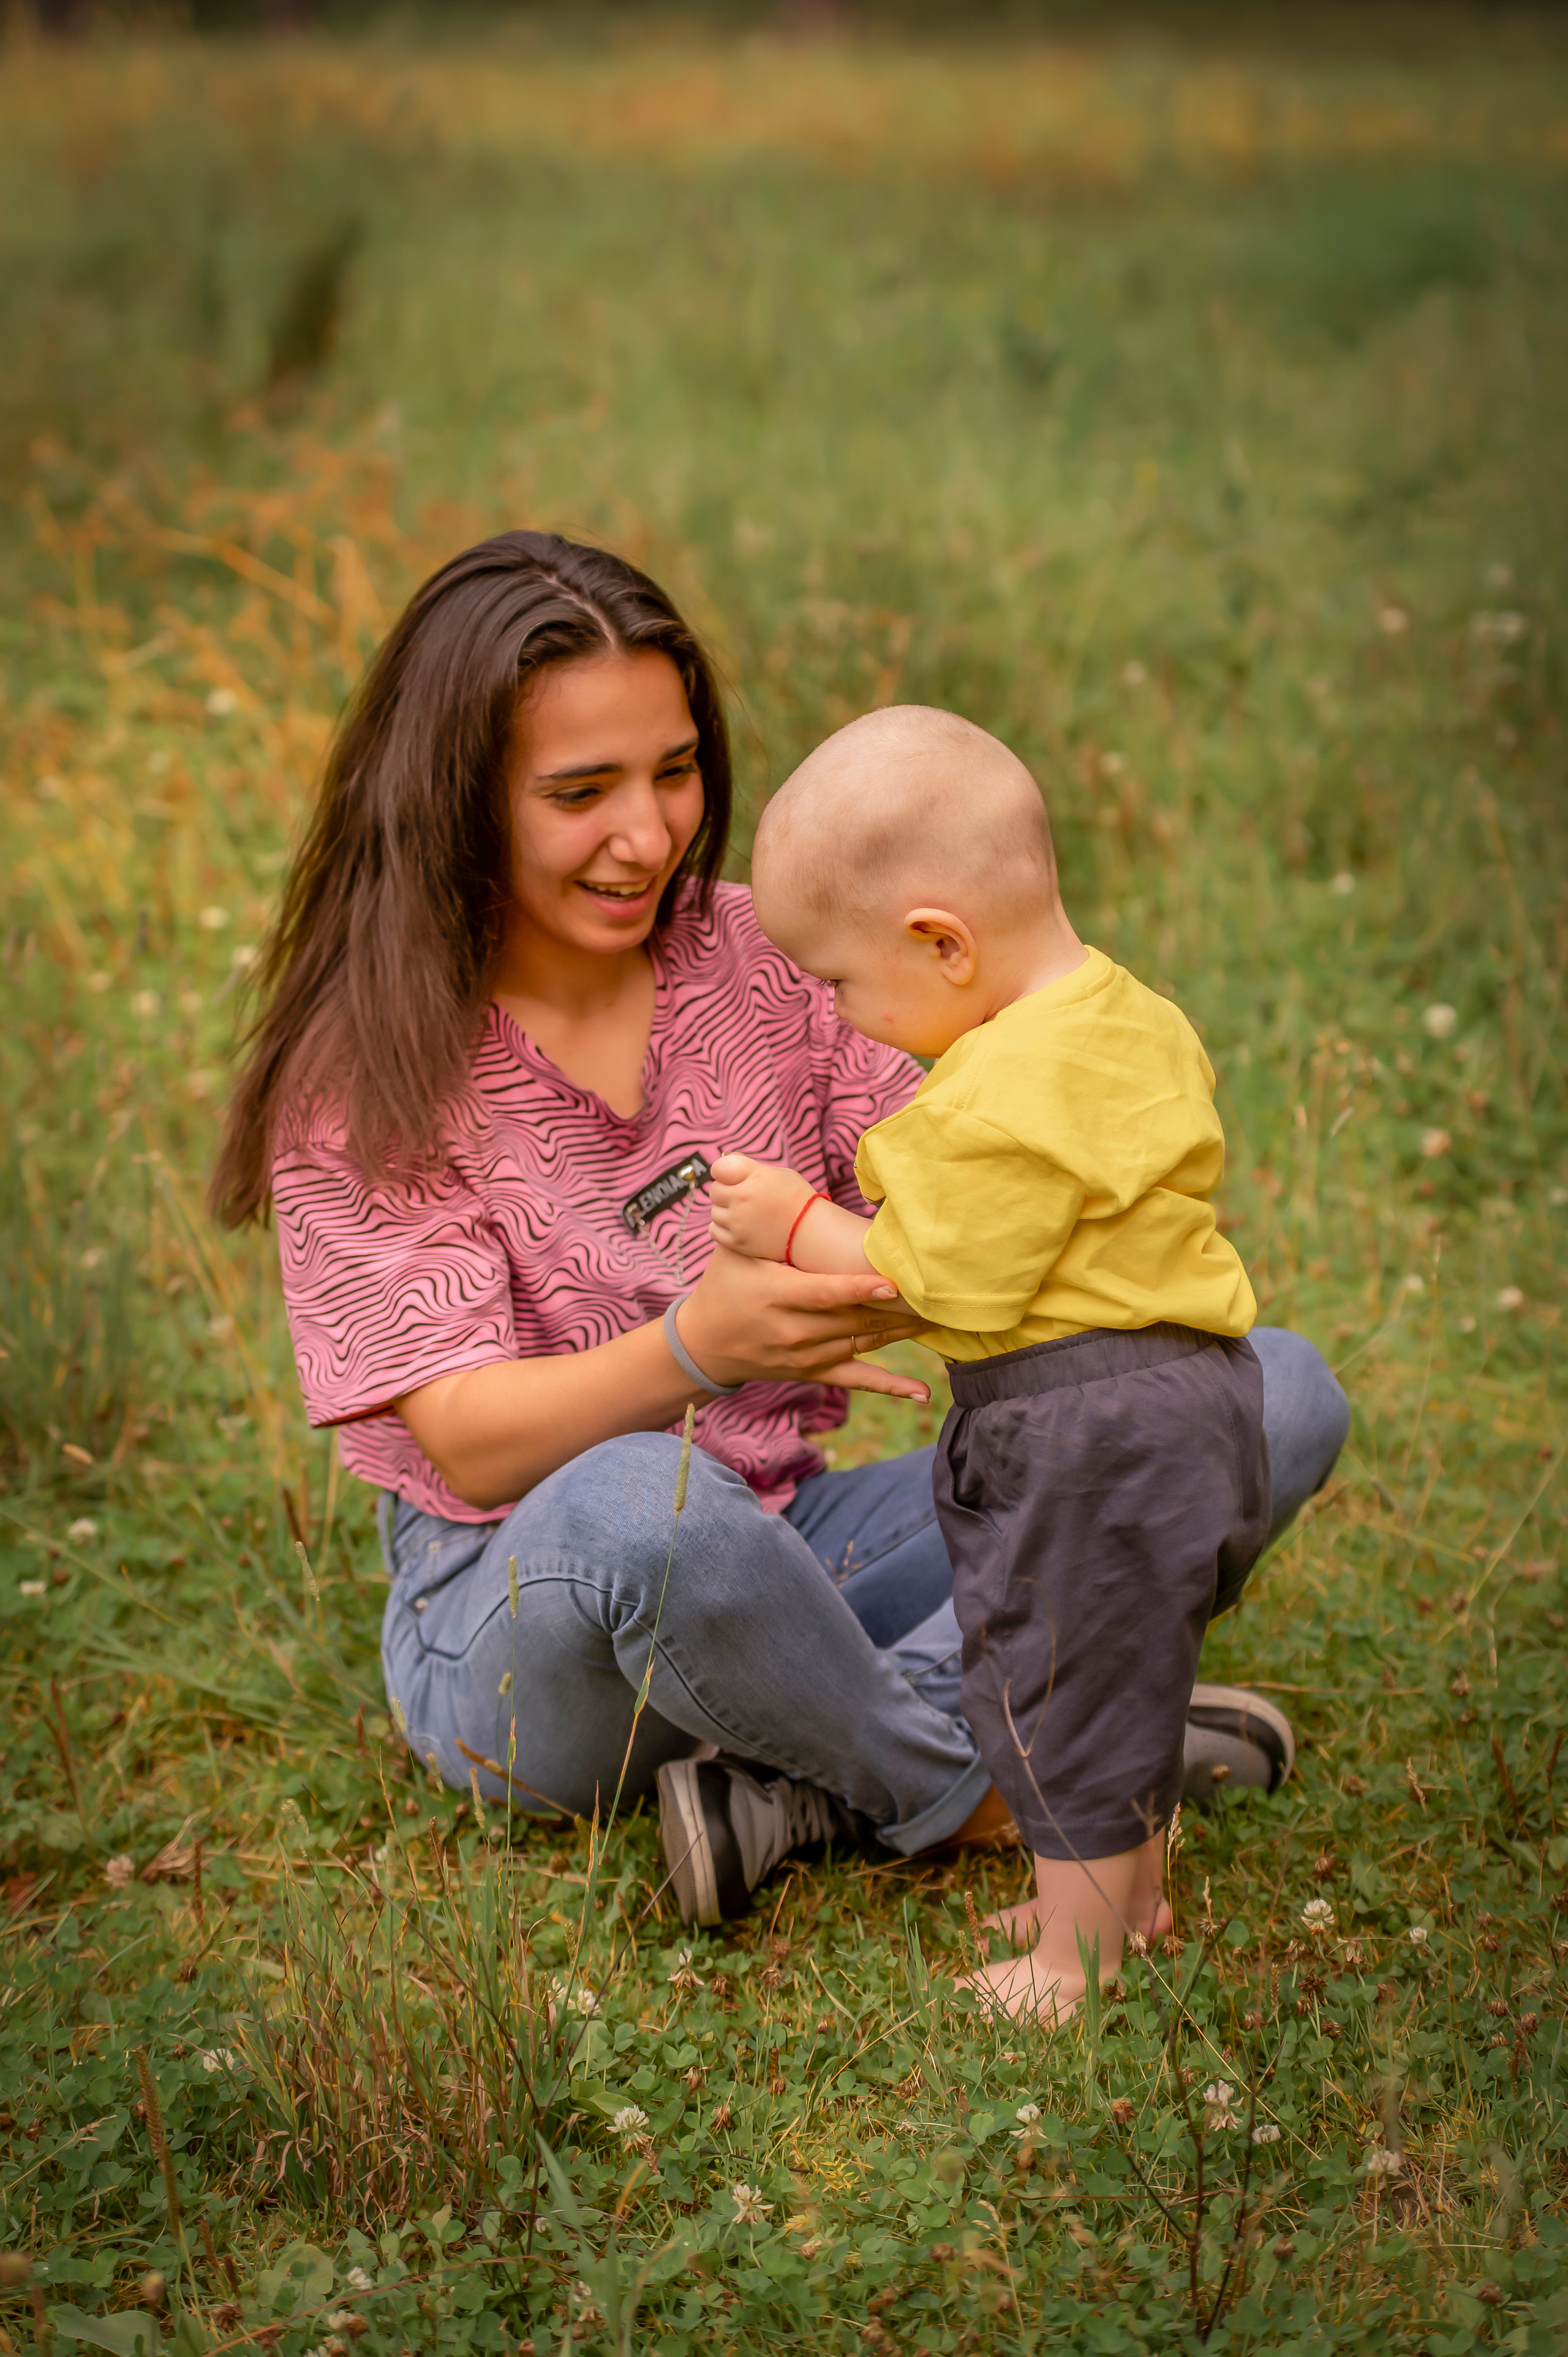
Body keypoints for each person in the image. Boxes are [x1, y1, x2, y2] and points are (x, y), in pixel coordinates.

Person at [209, 532, 1349, 1939]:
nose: (650, 835)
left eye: (674, 771)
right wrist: (700, 1345)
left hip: (791, 1548)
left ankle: (799, 1791)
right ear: (457, 802)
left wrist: (908, 1264)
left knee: (1254, 1389)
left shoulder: (764, 956)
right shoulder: (367, 1067)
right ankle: (1007, 1781)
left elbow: (956, 1204)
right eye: (580, 792)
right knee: (651, 1505)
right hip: (528, 1623)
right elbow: (470, 1441)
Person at [708, 703, 1317, 2013]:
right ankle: (1112, 1897)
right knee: (1128, 1657)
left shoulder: (976, 1103)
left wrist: (795, 1223)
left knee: (1057, 1676)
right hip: (1201, 1392)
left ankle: (1076, 1955)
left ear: (941, 941)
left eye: (842, 983)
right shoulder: (1131, 1017)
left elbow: (936, 1279)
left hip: (1074, 1422)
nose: (846, 1017)